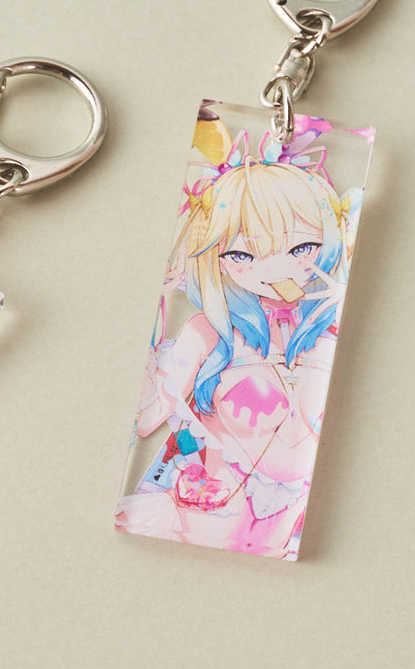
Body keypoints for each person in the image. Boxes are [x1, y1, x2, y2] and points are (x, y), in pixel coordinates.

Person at [115, 111, 360, 559]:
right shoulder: (207, 332)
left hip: (290, 529)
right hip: (202, 515)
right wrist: (156, 314)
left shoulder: (325, 335)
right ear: (215, 258)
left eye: (302, 248)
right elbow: (145, 421)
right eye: (243, 254)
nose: (277, 268)